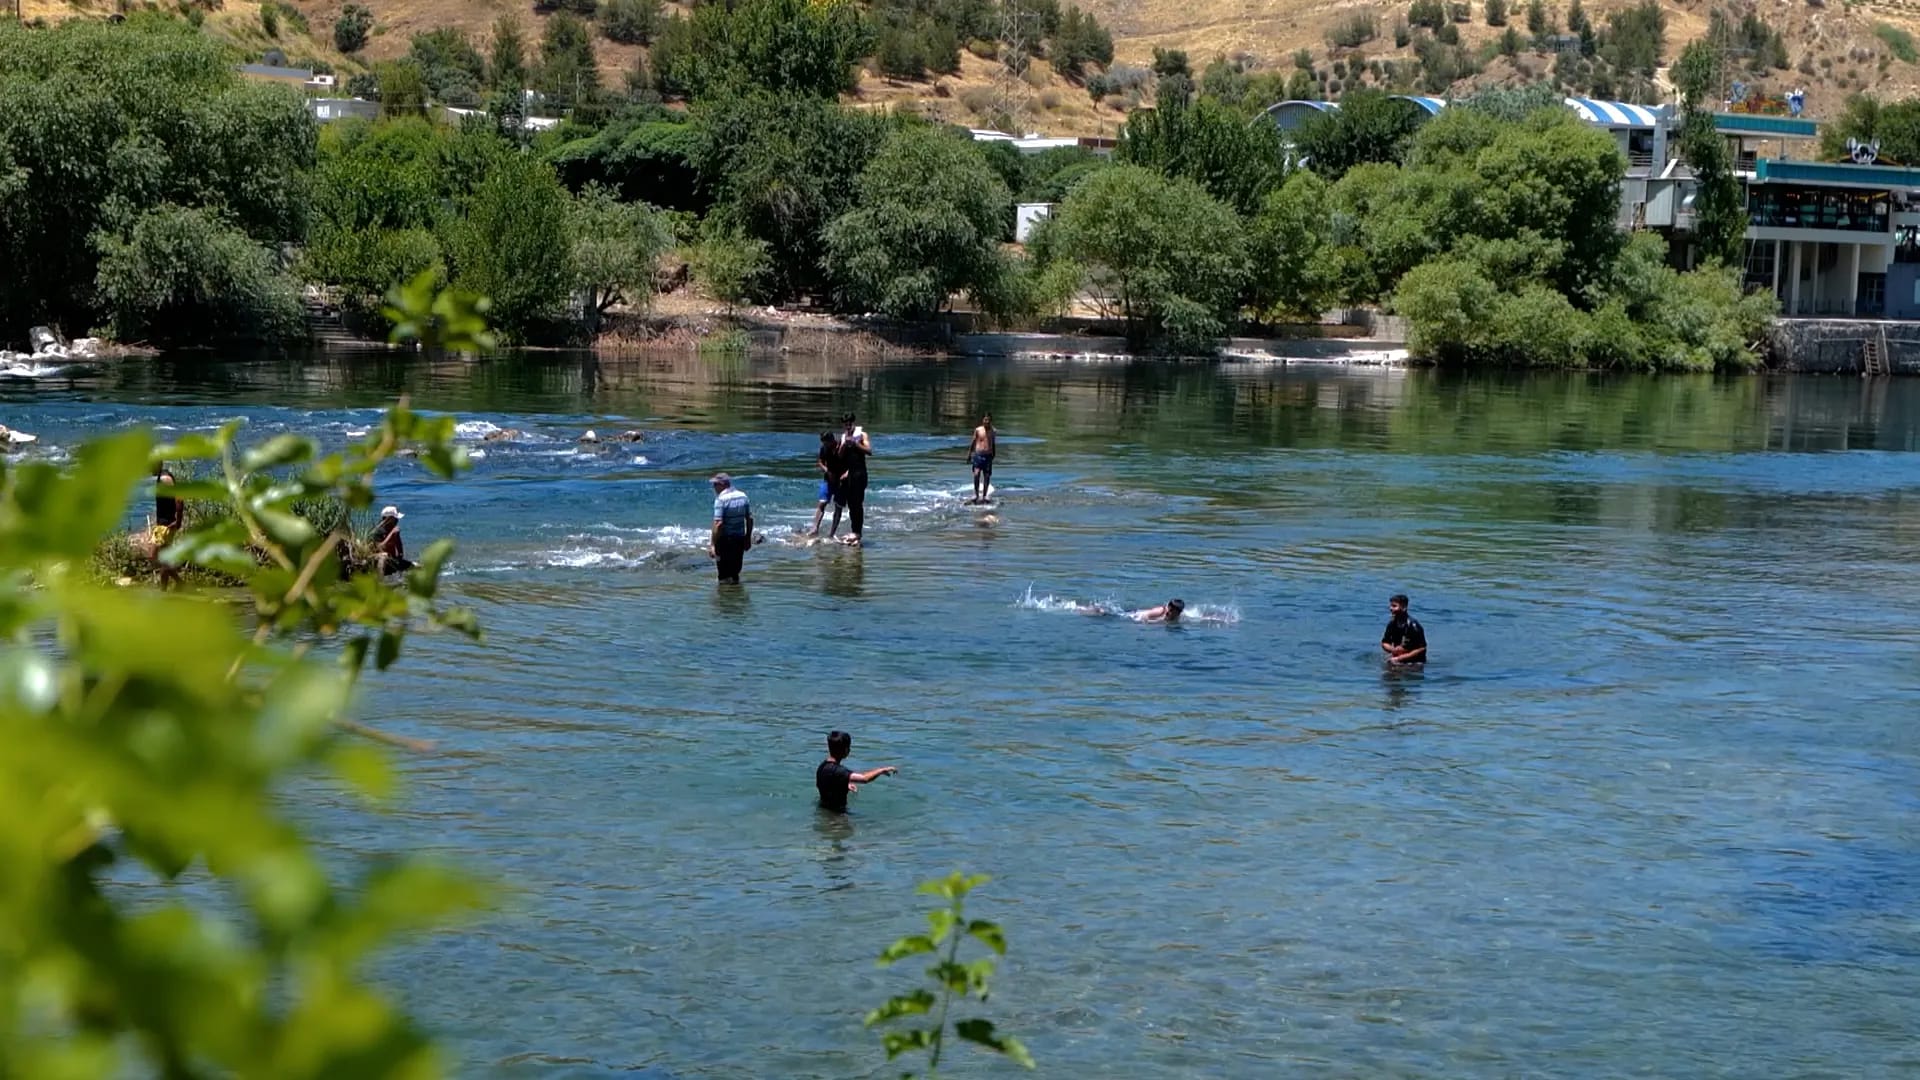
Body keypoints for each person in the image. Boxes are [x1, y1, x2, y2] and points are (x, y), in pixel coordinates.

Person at [815, 730, 897, 813]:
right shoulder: (839, 771)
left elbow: (828, 783)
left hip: (823, 808)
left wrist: (844, 784)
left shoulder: (822, 766)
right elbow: (865, 779)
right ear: (846, 750)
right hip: (837, 815)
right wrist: (881, 770)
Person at [708, 472, 753, 583]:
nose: (714, 488)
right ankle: (737, 595)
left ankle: (725, 598)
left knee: (723, 574)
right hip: (739, 539)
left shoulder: (721, 499)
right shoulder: (743, 496)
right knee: (735, 572)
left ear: (722, 484)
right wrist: (748, 538)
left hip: (724, 541)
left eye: (715, 484)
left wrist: (713, 544)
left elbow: (718, 524)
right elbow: (750, 519)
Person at [836, 413, 871, 545]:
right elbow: (839, 456)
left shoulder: (862, 435)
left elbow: (869, 451)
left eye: (849, 423)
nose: (848, 426)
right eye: (845, 424)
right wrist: (844, 445)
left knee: (858, 503)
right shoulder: (843, 437)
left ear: (853, 423)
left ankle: (858, 532)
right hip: (850, 474)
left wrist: (856, 444)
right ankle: (853, 531)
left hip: (860, 473)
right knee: (851, 504)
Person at [807, 432, 843, 539]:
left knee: (838, 507)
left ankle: (832, 533)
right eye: (824, 443)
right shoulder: (824, 448)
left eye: (827, 443)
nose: (825, 445)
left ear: (832, 440)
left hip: (841, 481)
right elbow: (820, 461)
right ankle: (814, 528)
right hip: (828, 479)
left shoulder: (842, 447)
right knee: (822, 503)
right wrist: (826, 471)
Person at [1381, 593, 1428, 665]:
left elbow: (1422, 648)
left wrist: (1400, 658)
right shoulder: (1392, 624)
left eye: (1394, 606)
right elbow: (1384, 642)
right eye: (1391, 606)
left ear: (1404, 607)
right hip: (1397, 658)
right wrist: (1393, 650)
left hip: (1415, 662)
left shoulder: (1413, 625)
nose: (1391, 608)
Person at [370, 505, 412, 575]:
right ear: (389, 519)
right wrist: (392, 534)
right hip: (379, 561)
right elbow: (380, 548)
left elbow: (399, 546)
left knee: (418, 568)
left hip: (393, 560)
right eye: (395, 519)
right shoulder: (377, 531)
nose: (397, 520)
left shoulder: (392, 528)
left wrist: (400, 559)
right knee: (384, 556)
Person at [967, 413, 997, 504]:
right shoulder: (978, 430)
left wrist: (994, 454)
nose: (986, 422)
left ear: (991, 421)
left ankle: (985, 495)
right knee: (976, 474)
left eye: (988, 420)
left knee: (987, 476)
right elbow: (973, 442)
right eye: (985, 420)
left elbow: (993, 443)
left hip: (988, 456)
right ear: (982, 420)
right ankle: (976, 494)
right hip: (978, 455)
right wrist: (969, 454)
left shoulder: (993, 431)